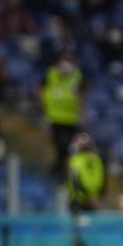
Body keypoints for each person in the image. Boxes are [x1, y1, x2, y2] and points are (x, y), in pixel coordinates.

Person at [40, 49, 84, 181]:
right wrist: (45, 106)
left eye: (69, 59)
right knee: (60, 147)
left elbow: (81, 93)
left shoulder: (77, 74)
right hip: (55, 117)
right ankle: (59, 172)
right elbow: (41, 89)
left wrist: (81, 110)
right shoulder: (51, 73)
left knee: (68, 148)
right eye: (65, 59)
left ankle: (59, 172)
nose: (66, 63)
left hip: (71, 118)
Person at [66, 132, 104, 214]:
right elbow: (75, 180)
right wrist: (93, 196)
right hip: (81, 199)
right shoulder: (75, 159)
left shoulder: (77, 160)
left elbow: (101, 178)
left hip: (86, 199)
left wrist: (93, 196)